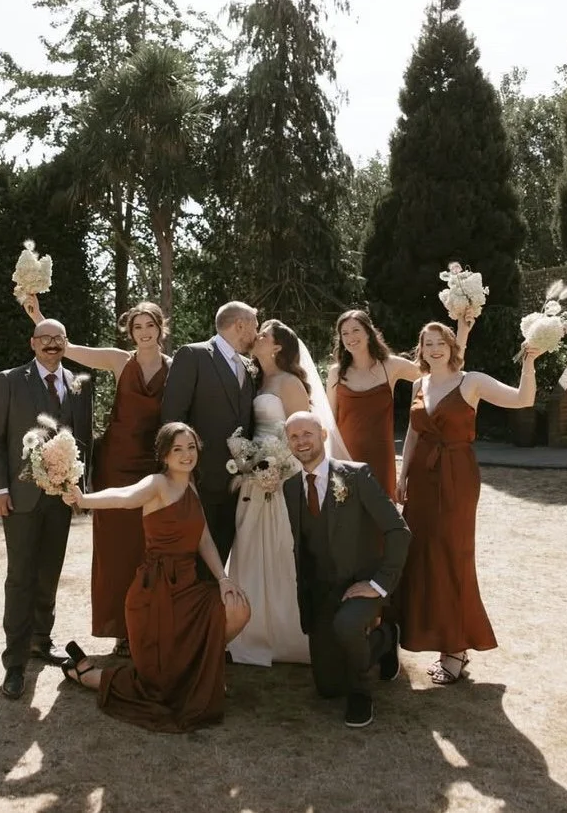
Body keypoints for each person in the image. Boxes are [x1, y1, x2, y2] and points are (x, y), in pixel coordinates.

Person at [59, 422, 251, 733]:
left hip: (188, 587)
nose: (186, 455)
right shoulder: (158, 483)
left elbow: (203, 537)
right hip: (155, 595)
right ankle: (85, 674)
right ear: (164, 455)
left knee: (239, 608)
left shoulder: (191, 485)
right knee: (156, 688)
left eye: (191, 447)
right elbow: (124, 496)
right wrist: (84, 500)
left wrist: (223, 579)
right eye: (178, 449)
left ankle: (200, 674)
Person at [397, 322, 543, 685]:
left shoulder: (471, 381)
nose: (434, 349)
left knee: (452, 557)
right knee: (422, 555)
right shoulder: (418, 384)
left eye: (440, 343)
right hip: (421, 479)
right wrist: (402, 476)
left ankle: (456, 649)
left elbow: (523, 400)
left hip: (457, 477)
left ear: (451, 346)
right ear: (421, 349)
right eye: (428, 343)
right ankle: (432, 636)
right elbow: (413, 433)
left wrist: (529, 362)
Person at [24, 295, 170, 657]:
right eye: (137, 327)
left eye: (150, 325)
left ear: (160, 328)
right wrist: (39, 316)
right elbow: (69, 348)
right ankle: (121, 631)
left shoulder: (176, 367)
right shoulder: (120, 361)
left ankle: (151, 626)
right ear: (130, 332)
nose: (144, 332)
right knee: (116, 550)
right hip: (116, 464)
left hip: (153, 467)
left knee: (149, 548)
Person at [0, 318, 93, 700]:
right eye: (44, 338)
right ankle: (14, 664)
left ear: (65, 342)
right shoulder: (11, 380)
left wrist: (82, 490)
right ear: (33, 343)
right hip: (22, 499)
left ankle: (41, 641)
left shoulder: (79, 385)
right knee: (21, 577)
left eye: (58, 338)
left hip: (61, 499)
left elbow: (85, 438)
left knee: (50, 572)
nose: (51, 344)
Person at [283, 412, 411, 728]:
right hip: (321, 591)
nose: (301, 441)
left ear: (323, 435)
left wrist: (379, 584)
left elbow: (398, 530)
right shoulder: (290, 488)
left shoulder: (356, 476)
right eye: (294, 437)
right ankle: (384, 640)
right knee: (327, 688)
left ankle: (362, 694)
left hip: (360, 583)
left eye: (307, 433)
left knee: (347, 624)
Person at [227, 319, 312, 666]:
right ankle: (248, 630)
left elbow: (304, 432)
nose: (256, 336)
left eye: (263, 334)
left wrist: (278, 467)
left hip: (281, 475)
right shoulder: (254, 378)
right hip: (252, 474)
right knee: (248, 546)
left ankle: (285, 635)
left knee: (280, 549)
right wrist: (251, 462)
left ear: (277, 346)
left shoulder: (289, 382)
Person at [327, 309, 474, 500]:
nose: (350, 337)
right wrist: (330, 461)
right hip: (345, 456)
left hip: (381, 459)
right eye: (344, 333)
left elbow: (444, 370)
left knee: (382, 514)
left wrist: (463, 332)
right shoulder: (336, 372)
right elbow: (330, 421)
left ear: (369, 332)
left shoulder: (390, 366)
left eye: (356, 330)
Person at [160, 301, 257, 564]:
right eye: (255, 325)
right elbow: (172, 420)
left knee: (221, 562)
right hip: (200, 480)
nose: (257, 333)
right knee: (194, 563)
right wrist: (182, 475)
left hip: (238, 485)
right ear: (240, 325)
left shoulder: (248, 366)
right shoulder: (193, 355)